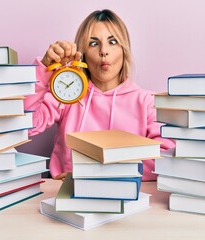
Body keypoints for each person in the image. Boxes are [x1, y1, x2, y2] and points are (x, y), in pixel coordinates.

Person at [24, 9, 174, 181]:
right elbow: (28, 126)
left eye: (113, 42)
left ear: (124, 50)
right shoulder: (68, 95)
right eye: (94, 44)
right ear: (83, 54)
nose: (104, 51)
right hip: (66, 194)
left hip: (126, 194)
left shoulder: (147, 102)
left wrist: (94, 174)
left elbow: (164, 159)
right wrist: (43, 69)